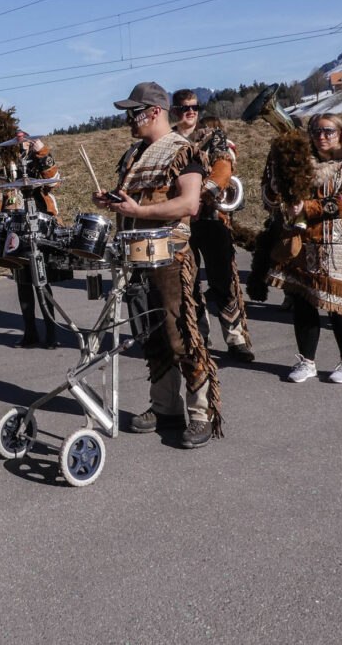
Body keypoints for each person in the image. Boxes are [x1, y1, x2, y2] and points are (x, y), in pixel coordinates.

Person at [92, 81, 223, 448]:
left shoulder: (182, 150)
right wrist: (112, 202)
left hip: (171, 258)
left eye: (133, 113)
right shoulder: (134, 154)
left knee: (182, 334)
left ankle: (202, 414)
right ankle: (165, 407)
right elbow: (134, 201)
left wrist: (139, 210)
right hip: (136, 259)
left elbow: (189, 204)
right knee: (151, 336)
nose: (128, 120)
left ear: (153, 112)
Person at [265, 113, 342, 384]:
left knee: (338, 305)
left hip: (337, 242)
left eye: (328, 131)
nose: (322, 137)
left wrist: (308, 207)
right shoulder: (302, 163)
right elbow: (273, 196)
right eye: (316, 132)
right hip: (301, 241)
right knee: (302, 301)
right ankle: (307, 361)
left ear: (341, 133)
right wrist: (278, 176)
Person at [170, 91, 253, 361]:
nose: (191, 112)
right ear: (174, 111)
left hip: (212, 217)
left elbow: (223, 167)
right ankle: (200, 337)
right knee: (189, 282)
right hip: (180, 222)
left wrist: (200, 196)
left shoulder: (212, 135)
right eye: (185, 108)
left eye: (195, 107)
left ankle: (236, 339)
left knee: (223, 281)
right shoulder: (167, 140)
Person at [0, 113, 64, 348]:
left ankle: (51, 332)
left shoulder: (38, 157)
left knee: (41, 279)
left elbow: (54, 182)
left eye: (24, 142)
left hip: (39, 223)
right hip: (13, 226)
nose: (19, 146)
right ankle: (30, 332)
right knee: (22, 281)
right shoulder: (3, 163)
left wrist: (41, 151)